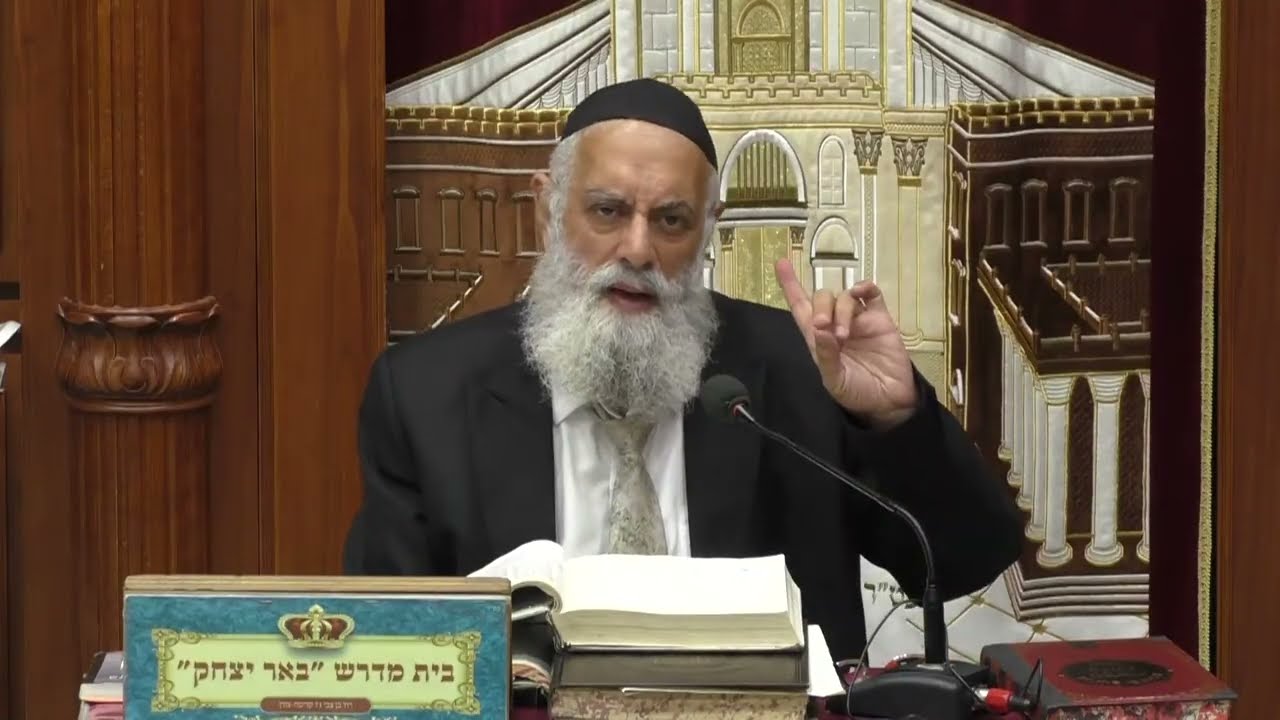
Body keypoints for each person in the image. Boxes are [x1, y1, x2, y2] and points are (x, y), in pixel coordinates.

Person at [343, 78, 1023, 661]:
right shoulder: (426, 395)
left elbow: (965, 560)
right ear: (547, 211)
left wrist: (895, 416)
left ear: (708, 228)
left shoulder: (797, 374)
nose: (638, 249)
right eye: (607, 211)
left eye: (671, 220)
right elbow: (388, 648)